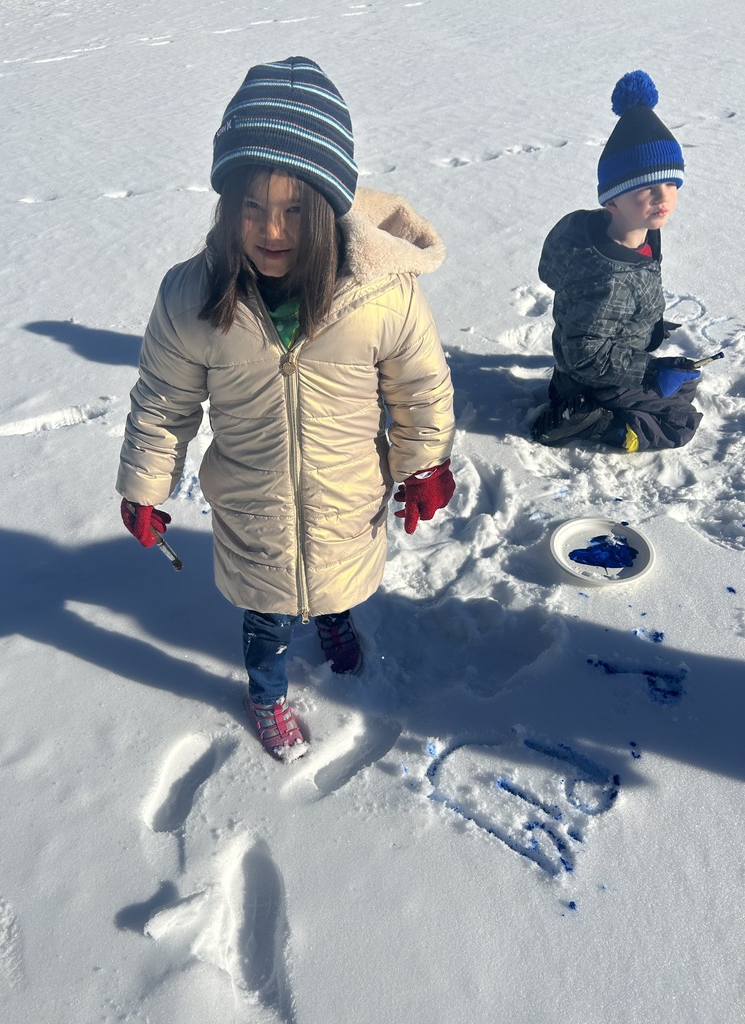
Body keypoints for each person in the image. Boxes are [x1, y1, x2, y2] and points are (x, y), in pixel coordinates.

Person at [116, 57, 455, 758]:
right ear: (227, 204)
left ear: (327, 210)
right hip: (255, 507)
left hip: (344, 493)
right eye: (252, 206)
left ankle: (333, 619)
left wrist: (423, 464)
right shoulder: (193, 298)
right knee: (264, 616)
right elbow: (162, 402)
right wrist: (146, 486)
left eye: (294, 210)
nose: (272, 229)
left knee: (336, 580)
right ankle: (266, 694)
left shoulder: (378, 293)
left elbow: (418, 386)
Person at [531, 70, 703, 452]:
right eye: (647, 187)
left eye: (671, 184)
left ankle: (579, 397)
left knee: (689, 380)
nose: (663, 196)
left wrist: (645, 322)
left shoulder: (636, 231)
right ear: (612, 200)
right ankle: (592, 421)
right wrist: (649, 372)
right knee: (680, 422)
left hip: (601, 360)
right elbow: (583, 353)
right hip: (591, 377)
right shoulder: (608, 279)